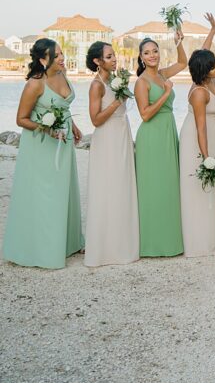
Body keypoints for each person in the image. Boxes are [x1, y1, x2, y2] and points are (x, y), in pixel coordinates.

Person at [2, 39, 84, 269]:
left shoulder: (63, 73)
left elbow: (64, 107)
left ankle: (67, 243)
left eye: (61, 53)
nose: (61, 58)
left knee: (64, 190)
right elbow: (21, 119)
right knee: (44, 194)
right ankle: (41, 248)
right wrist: (47, 129)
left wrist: (73, 127)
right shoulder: (35, 84)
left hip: (63, 140)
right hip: (41, 144)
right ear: (42, 59)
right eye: (56, 55)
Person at [84, 40, 140, 267]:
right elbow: (95, 120)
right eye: (109, 57)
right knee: (107, 188)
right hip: (106, 138)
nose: (114, 59)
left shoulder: (118, 81)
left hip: (122, 133)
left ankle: (122, 244)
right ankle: (104, 249)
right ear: (98, 61)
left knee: (122, 186)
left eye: (114, 55)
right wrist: (116, 103)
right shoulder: (96, 86)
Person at [134, 30, 188, 257]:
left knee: (168, 186)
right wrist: (166, 94)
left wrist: (178, 43)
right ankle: (151, 244)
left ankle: (170, 242)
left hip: (168, 131)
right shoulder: (141, 82)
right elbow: (145, 115)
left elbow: (183, 62)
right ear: (141, 58)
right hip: (151, 136)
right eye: (147, 53)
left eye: (155, 51)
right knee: (153, 188)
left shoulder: (164, 74)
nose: (153, 55)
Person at [178, 15, 215, 257]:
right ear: (205, 70)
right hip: (197, 139)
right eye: (214, 64)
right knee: (198, 186)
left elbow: (203, 51)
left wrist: (213, 29)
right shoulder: (199, 93)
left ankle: (212, 235)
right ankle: (198, 242)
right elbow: (200, 128)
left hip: (213, 134)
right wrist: (206, 157)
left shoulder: (210, 79)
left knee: (212, 188)